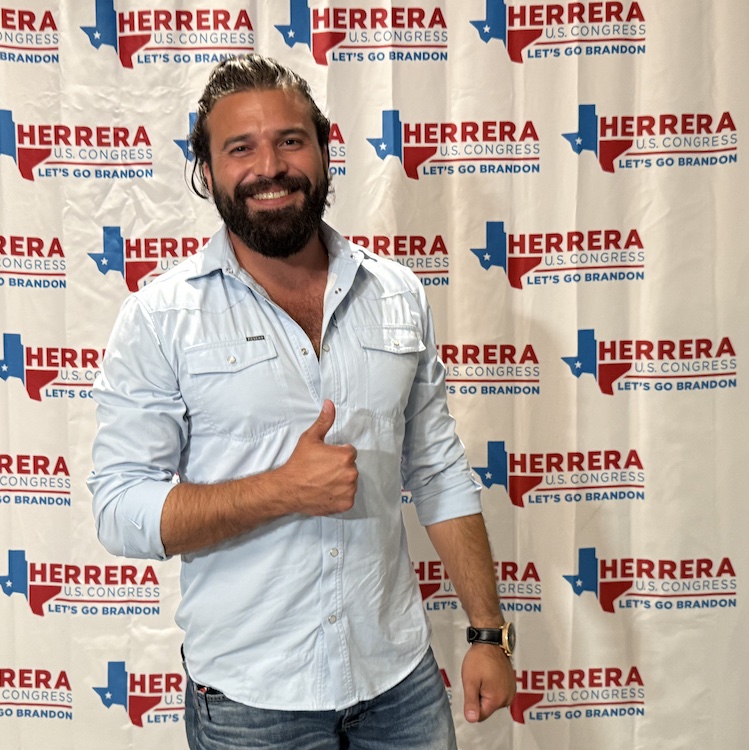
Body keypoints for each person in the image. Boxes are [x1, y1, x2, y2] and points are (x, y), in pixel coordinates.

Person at [88, 54, 515, 750]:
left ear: (323, 150)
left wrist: (488, 632)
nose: (270, 166)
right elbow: (119, 510)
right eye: (240, 148)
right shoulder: (161, 317)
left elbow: (437, 471)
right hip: (252, 704)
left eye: (290, 140)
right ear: (206, 172)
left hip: (399, 682)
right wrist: (279, 491)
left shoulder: (397, 294)